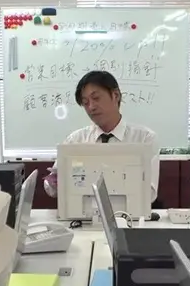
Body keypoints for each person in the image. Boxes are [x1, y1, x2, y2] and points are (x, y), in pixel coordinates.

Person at [42, 71, 162, 206]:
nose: (91, 107)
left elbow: (149, 193)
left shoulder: (144, 139)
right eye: (85, 103)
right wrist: (54, 183)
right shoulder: (75, 140)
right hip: (84, 214)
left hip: (130, 214)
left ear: (115, 95)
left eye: (96, 98)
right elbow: (52, 186)